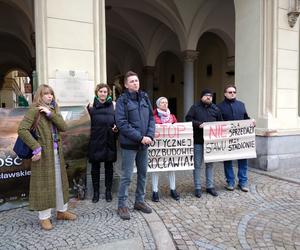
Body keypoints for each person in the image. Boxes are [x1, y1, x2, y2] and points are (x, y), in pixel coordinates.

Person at [17, 84, 77, 231]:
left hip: (57, 153)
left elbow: (63, 127)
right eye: (46, 94)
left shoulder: (54, 109)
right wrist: (36, 147)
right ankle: (44, 218)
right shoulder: (34, 110)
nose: (49, 96)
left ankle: (61, 212)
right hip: (42, 154)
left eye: (51, 94)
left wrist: (50, 114)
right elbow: (22, 130)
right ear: (40, 95)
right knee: (43, 184)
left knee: (59, 182)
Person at [115, 71, 155, 220]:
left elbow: (151, 118)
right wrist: (140, 138)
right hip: (129, 145)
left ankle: (139, 201)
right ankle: (122, 205)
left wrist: (149, 136)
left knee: (143, 174)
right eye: (131, 81)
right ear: (126, 84)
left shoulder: (144, 97)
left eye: (136, 81)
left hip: (144, 144)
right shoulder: (122, 101)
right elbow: (122, 123)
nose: (135, 83)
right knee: (126, 176)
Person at [185, 89, 223, 198]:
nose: (208, 97)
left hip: (211, 142)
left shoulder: (216, 108)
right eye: (206, 96)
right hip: (198, 141)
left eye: (210, 96)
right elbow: (188, 119)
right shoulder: (195, 107)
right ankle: (197, 188)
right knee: (197, 165)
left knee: (210, 165)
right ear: (201, 97)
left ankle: (210, 187)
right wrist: (198, 124)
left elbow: (221, 122)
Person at [217, 84, 253, 192]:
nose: (232, 94)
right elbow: (218, 121)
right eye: (230, 92)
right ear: (225, 94)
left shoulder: (241, 105)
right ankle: (230, 182)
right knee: (228, 161)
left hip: (241, 139)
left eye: (234, 92)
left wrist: (252, 121)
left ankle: (243, 182)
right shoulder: (219, 106)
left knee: (243, 160)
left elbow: (246, 118)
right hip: (227, 139)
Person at [87, 83, 118, 203]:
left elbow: (117, 121)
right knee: (95, 168)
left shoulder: (113, 106)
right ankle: (96, 192)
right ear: (97, 93)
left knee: (109, 167)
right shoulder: (90, 106)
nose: (103, 94)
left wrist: (116, 128)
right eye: (101, 91)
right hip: (95, 140)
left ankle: (108, 191)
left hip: (109, 139)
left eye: (105, 92)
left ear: (108, 93)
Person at [151, 97, 180, 202]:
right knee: (156, 167)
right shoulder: (153, 117)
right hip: (157, 147)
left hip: (169, 146)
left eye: (166, 102)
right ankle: (155, 191)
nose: (165, 104)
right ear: (158, 104)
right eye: (162, 102)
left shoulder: (172, 117)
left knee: (171, 167)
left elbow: (178, 129)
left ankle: (173, 189)